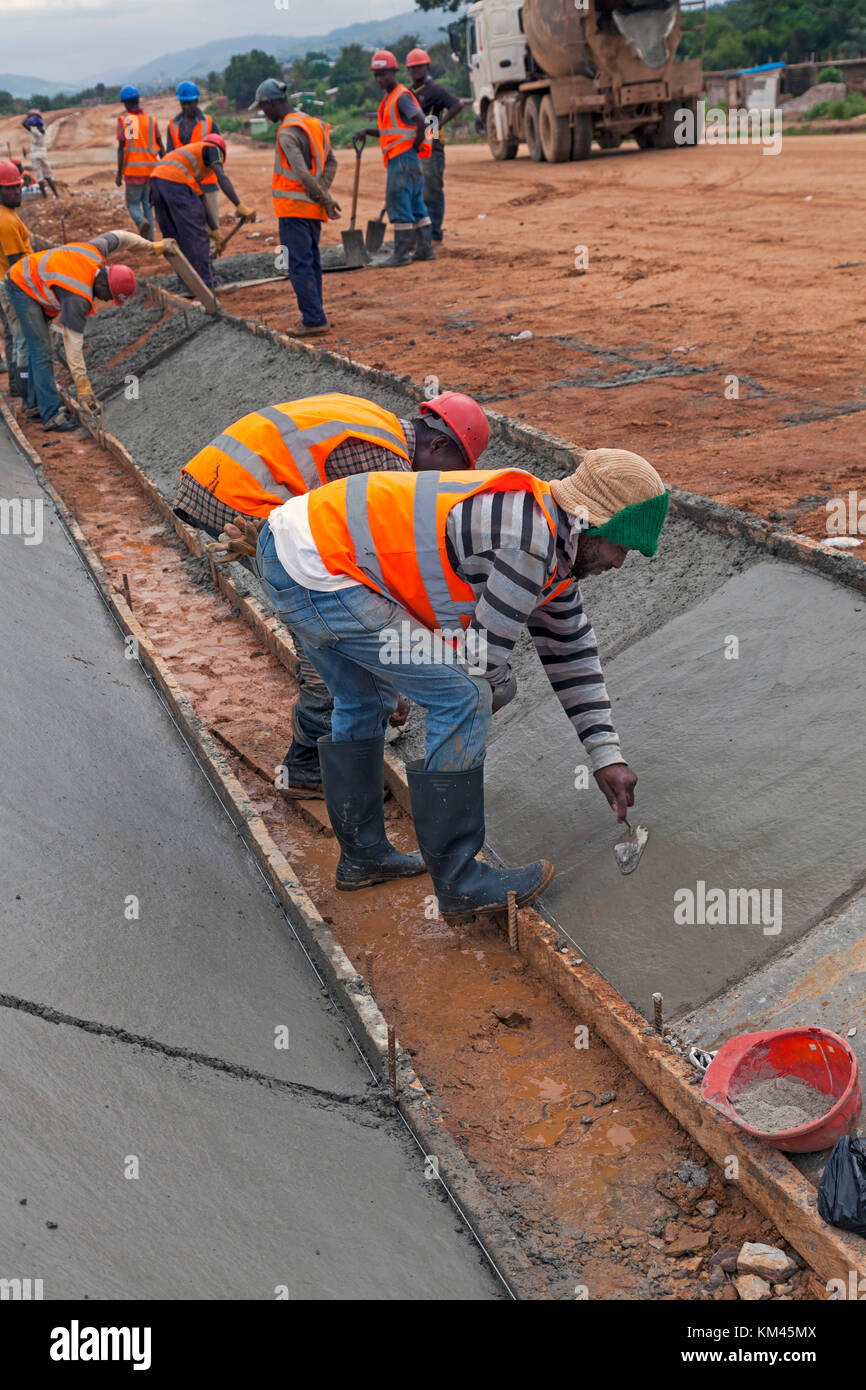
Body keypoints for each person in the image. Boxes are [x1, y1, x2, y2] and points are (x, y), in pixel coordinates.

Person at [253, 449, 669, 910]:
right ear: (591, 525)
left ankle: (364, 857)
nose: (619, 563)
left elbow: (571, 651)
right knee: (467, 696)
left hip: (294, 549)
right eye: (620, 547)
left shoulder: (549, 536)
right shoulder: (528, 544)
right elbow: (480, 667)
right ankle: (460, 881)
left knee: (366, 701)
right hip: (322, 569)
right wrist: (482, 692)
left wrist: (605, 753)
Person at [174, 390, 489, 798]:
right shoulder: (384, 461)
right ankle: (308, 766)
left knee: (331, 614)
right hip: (241, 499)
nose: (442, 484)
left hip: (215, 481)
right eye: (450, 471)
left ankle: (342, 744)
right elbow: (370, 567)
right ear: (438, 444)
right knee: (325, 633)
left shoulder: (379, 426)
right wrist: (394, 667)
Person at [5, 230, 173, 430]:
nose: (107, 300)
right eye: (109, 295)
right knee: (41, 351)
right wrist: (84, 389)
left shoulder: (96, 252)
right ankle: (50, 415)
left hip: (38, 280)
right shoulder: (78, 297)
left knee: (39, 346)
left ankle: (33, 404)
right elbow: (73, 345)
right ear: (103, 283)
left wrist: (155, 248)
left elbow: (123, 237)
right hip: (22, 284)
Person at [250, 78, 339, 338]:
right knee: (311, 262)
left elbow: (301, 172)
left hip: (293, 210)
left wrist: (324, 198)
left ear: (273, 103)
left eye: (263, 108)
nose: (263, 113)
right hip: (311, 211)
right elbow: (332, 162)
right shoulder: (314, 124)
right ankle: (316, 313)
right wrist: (322, 194)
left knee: (299, 265)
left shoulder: (287, 132)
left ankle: (313, 320)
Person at [355, 50, 433, 267]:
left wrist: (415, 145)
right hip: (406, 158)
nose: (379, 79)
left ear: (393, 72)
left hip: (402, 159)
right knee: (416, 204)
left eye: (383, 74)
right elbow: (392, 131)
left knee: (398, 203)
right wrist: (367, 131)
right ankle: (425, 249)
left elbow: (422, 121)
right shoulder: (391, 97)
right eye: (376, 75)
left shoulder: (400, 96)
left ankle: (401, 253)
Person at [150, 135, 254, 291]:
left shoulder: (188, 163)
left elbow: (202, 200)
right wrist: (238, 204)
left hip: (156, 183)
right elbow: (222, 177)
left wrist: (215, 230)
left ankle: (186, 283)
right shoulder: (212, 148)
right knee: (195, 235)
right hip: (174, 183)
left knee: (173, 238)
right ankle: (208, 282)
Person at [406, 48, 463, 244]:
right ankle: (420, 233)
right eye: (413, 68)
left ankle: (434, 233)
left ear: (427, 67)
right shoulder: (408, 92)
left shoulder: (434, 90)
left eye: (420, 67)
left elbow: (457, 104)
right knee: (416, 192)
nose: (416, 71)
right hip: (414, 148)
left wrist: (441, 124)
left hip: (433, 147)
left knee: (432, 191)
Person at [165, 82, 221, 229]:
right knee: (190, 227)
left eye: (190, 103)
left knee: (211, 226)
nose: (187, 107)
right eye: (184, 103)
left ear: (197, 101)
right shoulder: (173, 125)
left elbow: (218, 152)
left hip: (207, 184)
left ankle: (213, 252)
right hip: (184, 186)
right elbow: (170, 156)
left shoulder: (208, 123)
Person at [0, 160, 33, 399]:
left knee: (12, 335)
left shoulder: (7, 215)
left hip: (4, 283)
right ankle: (25, 391)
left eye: (18, 186)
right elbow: (17, 267)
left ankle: (15, 382)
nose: (17, 191)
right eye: (10, 188)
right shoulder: (7, 222)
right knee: (21, 338)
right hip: (11, 286)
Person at [115, 85, 164, 240]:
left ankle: (140, 221)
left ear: (126, 104)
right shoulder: (150, 120)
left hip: (133, 172)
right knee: (148, 206)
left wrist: (118, 173)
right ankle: (150, 241)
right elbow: (161, 147)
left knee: (133, 205)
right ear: (138, 101)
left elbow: (123, 148)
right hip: (151, 171)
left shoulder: (128, 121)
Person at [21, 110, 58, 198]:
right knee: (48, 174)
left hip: (35, 153)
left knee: (39, 176)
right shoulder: (43, 130)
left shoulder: (34, 130)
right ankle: (56, 194)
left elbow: (24, 123)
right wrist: (37, 116)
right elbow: (39, 121)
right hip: (43, 153)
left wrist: (29, 115)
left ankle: (44, 196)